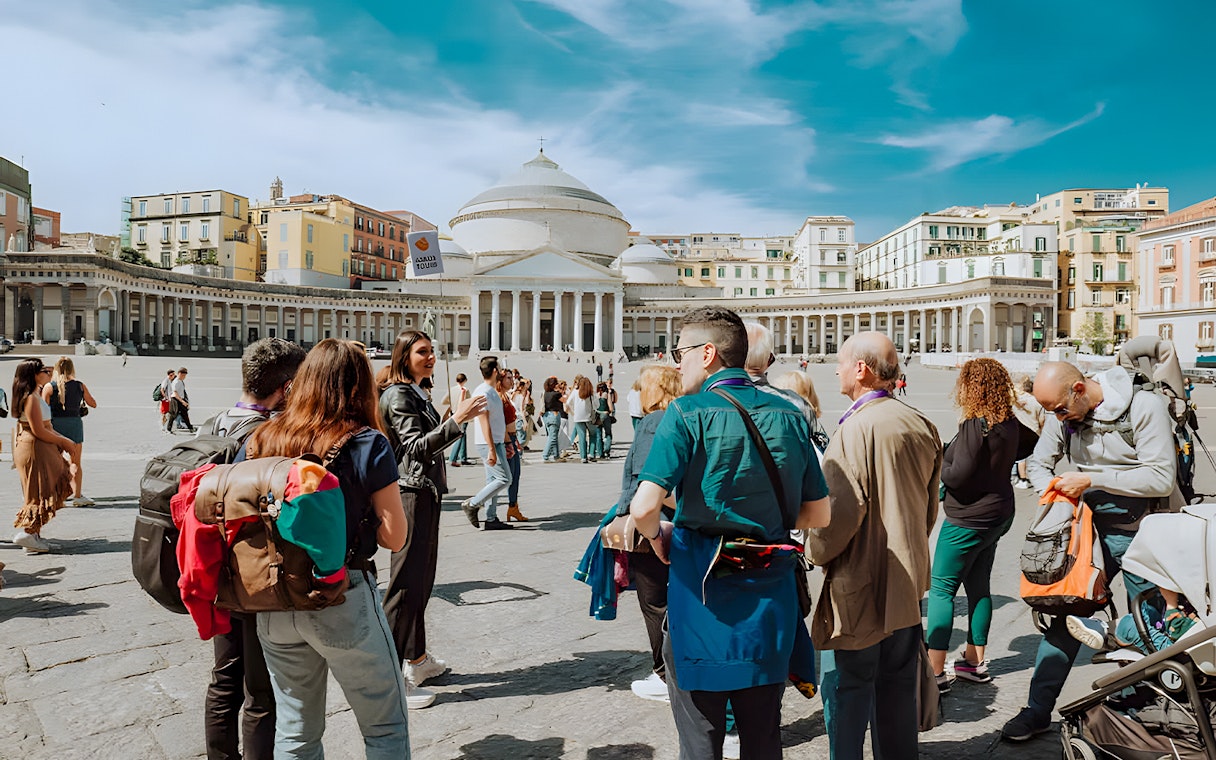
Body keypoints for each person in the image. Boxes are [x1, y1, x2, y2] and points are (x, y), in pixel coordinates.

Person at [628, 306, 831, 760]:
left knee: (700, 738)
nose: (675, 363)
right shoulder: (791, 414)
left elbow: (643, 506)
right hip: (769, 597)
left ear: (708, 353)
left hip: (702, 599)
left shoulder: (685, 413)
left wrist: (660, 538)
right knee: (763, 736)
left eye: (680, 353)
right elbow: (818, 514)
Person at [242, 339, 410, 758]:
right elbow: (395, 537)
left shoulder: (265, 435)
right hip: (342, 593)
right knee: (384, 726)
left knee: (296, 729)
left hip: (276, 598)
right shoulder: (367, 442)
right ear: (361, 386)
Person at [1001, 360, 1178, 742]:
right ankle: (1037, 710)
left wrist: (1092, 479)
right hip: (1081, 533)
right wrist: (1055, 496)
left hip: (1139, 532)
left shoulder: (1144, 406)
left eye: (1060, 410)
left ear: (1079, 389)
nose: (1058, 418)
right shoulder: (1063, 413)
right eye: (1052, 412)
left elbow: (1161, 476)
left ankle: (1145, 711)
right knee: (1063, 616)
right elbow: (1038, 463)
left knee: (1145, 625)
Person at [807, 331, 941, 760]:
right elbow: (929, 509)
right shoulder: (920, 422)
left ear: (861, 369)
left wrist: (813, 549)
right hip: (906, 579)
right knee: (898, 692)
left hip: (860, 583)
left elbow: (836, 519)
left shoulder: (853, 430)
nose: (836, 370)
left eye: (842, 362)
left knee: (848, 693)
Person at [203, 337, 306, 760]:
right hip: (253, 575)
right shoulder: (271, 436)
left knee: (224, 679)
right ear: (284, 388)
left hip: (211, 568)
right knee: (261, 690)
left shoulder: (210, 425)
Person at [378, 330, 487, 710]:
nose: (431, 358)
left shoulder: (416, 392)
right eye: (422, 352)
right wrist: (456, 420)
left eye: (433, 351)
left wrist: (454, 419)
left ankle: (417, 659)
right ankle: (390, 677)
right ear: (403, 355)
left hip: (425, 492)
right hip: (410, 493)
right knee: (405, 584)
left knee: (422, 579)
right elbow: (414, 449)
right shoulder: (398, 395)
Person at [927, 358, 1020, 693]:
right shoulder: (1008, 421)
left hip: (967, 518)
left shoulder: (974, 423)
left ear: (971, 387)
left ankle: (934, 672)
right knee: (979, 586)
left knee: (941, 590)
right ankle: (973, 661)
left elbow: (957, 474)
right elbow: (1030, 444)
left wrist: (942, 461)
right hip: (999, 514)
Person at [619, 365, 683, 702]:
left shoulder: (653, 422)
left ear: (656, 389)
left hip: (653, 527)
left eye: (643, 386)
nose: (638, 392)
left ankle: (663, 674)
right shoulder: (678, 416)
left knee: (654, 603)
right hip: (676, 522)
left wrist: (650, 522)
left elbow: (650, 481)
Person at [10, 359, 75, 554]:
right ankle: (29, 533)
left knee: (43, 487)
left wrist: (61, 439)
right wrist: (63, 442)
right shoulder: (30, 398)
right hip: (35, 447)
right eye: (44, 370)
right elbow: (38, 429)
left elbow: (47, 427)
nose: (48, 372)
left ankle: (34, 536)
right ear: (34, 374)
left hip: (40, 446)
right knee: (38, 489)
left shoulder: (35, 394)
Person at [462, 356, 514, 530]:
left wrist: (507, 443)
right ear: (494, 371)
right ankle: (473, 504)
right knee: (505, 479)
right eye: (499, 369)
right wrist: (492, 448)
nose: (501, 372)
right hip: (488, 443)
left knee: (492, 480)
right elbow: (483, 422)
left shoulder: (490, 391)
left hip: (496, 442)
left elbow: (497, 421)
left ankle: (491, 518)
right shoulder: (483, 392)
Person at [43, 357, 97, 507]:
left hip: (55, 427)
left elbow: (43, 410)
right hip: (74, 425)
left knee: (55, 461)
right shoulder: (79, 386)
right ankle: (77, 496)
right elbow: (93, 403)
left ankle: (55, 494)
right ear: (71, 369)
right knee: (76, 463)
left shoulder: (49, 387)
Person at [499, 371, 527, 522]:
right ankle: (479, 504)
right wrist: (508, 442)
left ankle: (513, 507)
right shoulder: (499, 397)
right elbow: (499, 421)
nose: (512, 381)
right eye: (508, 378)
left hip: (512, 438)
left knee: (515, 475)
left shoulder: (506, 396)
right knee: (504, 478)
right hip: (506, 440)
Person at [1010, 375, 1047, 490]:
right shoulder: (1037, 403)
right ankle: (1025, 478)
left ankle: (1015, 477)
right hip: (1033, 432)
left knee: (1016, 457)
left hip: (1016, 431)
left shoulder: (1015, 400)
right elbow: (1042, 420)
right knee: (1028, 458)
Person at [444, 373, 473, 467]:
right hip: (463, 414)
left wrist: (452, 403)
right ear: (465, 380)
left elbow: (443, 401)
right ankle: (453, 457)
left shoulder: (451, 390)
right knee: (460, 435)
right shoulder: (465, 390)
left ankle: (463, 457)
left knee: (462, 435)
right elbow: (469, 402)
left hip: (453, 413)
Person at [566, 377, 595, 463]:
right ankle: (591, 453)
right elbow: (596, 404)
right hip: (588, 416)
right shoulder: (590, 393)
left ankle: (583, 457)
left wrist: (573, 409)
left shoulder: (575, 392)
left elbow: (568, 402)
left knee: (582, 437)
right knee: (592, 435)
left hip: (578, 417)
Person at [541, 376, 565, 462]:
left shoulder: (545, 393)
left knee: (553, 436)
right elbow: (565, 400)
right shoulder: (556, 394)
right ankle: (545, 455)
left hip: (546, 415)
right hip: (554, 415)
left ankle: (556, 455)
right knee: (553, 437)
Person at [166, 366, 197, 434]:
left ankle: (190, 428)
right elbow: (175, 393)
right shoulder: (176, 382)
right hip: (176, 400)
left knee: (184, 414)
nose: (185, 377)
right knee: (174, 415)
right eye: (184, 375)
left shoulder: (180, 381)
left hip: (179, 399)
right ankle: (168, 428)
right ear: (180, 373)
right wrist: (182, 401)